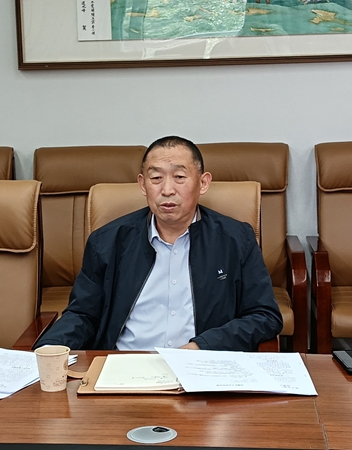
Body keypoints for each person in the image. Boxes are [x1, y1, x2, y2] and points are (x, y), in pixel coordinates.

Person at [35, 136, 283, 352]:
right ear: (143, 184)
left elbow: (265, 315)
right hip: (124, 368)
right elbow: (83, 315)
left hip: (200, 367)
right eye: (156, 178)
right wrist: (49, 348)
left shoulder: (236, 239)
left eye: (179, 177)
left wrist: (202, 346)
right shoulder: (107, 241)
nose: (167, 190)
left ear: (203, 183)